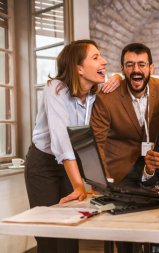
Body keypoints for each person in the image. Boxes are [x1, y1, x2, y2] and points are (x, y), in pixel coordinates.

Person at [24, 39, 118, 253]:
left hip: (69, 164)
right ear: (78, 67)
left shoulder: (94, 94)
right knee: (48, 234)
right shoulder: (55, 89)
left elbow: (84, 142)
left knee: (69, 233)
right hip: (43, 165)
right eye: (96, 57)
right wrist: (79, 185)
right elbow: (63, 142)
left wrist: (119, 78)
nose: (104, 61)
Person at [91, 43, 159, 184]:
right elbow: (96, 143)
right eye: (129, 65)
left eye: (142, 64)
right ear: (122, 69)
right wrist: (103, 182)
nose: (136, 70)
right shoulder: (106, 98)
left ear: (151, 68)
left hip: (153, 171)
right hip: (118, 172)